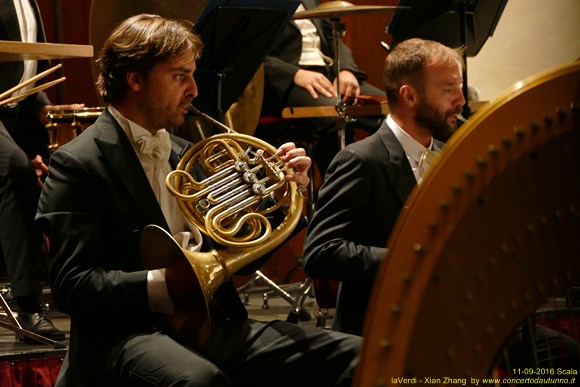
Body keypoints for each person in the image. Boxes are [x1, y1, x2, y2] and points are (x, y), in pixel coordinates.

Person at [36, 14, 360, 386]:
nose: (193, 89)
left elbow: (235, 260)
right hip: (124, 335)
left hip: (212, 328)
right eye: (179, 76)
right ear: (135, 79)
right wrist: (169, 283)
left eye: (192, 75)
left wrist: (285, 199)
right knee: (201, 382)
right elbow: (72, 285)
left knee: (356, 355)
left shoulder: (186, 154)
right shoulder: (78, 162)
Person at [303, 37, 466, 336]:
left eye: (459, 87)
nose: (461, 100)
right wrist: (413, 258)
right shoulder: (361, 160)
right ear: (410, 96)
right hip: (386, 329)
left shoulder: (448, 155)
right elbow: (321, 252)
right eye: (448, 89)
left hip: (448, 316)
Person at [0, 0, 81, 342]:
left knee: (73, 159)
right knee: (15, 169)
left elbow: (25, 73)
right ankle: (29, 305)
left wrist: (48, 111)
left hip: (12, 114)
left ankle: (76, 285)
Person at [260, 0, 385, 179]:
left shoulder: (311, 0)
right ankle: (338, 192)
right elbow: (249, 52)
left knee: (393, 109)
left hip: (328, 74)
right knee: (333, 114)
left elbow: (333, 36)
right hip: (286, 80)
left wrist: (346, 70)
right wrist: (295, 74)